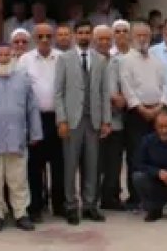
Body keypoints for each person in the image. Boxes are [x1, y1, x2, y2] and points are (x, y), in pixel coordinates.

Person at [53, 20, 112, 225]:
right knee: (70, 165)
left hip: (93, 119)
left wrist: (106, 120)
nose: (84, 36)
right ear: (75, 35)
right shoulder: (64, 59)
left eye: (87, 33)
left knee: (92, 165)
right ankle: (71, 205)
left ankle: (89, 205)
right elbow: (58, 92)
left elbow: (104, 92)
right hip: (72, 120)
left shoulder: (100, 60)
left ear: (91, 36)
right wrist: (61, 119)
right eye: (81, 33)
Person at [0, 43, 41, 232]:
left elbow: (32, 108)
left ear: (13, 57)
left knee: (18, 180)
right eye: (0, 55)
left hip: (17, 138)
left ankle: (21, 213)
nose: (4, 59)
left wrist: (35, 132)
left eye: (8, 55)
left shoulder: (23, 80)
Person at [17, 24, 64, 221]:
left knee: (59, 164)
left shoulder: (61, 57)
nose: (44, 39)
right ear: (35, 39)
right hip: (35, 118)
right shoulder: (25, 60)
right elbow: (21, 90)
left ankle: (60, 205)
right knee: (34, 165)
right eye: (40, 36)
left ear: (53, 38)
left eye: (48, 36)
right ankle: (35, 206)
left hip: (58, 118)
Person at [121, 22, 167, 209]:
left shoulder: (156, 60)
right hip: (136, 114)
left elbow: (165, 85)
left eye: (146, 35)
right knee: (136, 155)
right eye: (139, 35)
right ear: (131, 37)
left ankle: (157, 195)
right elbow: (127, 87)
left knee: (157, 154)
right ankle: (136, 197)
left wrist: (159, 106)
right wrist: (141, 108)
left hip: (157, 112)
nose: (142, 39)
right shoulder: (126, 60)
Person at [97, 25, 128, 210]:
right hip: (97, 121)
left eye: (107, 39)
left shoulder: (119, 61)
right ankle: (94, 198)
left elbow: (126, 83)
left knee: (114, 162)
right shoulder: (89, 61)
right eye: (100, 39)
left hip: (116, 118)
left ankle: (111, 197)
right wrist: (111, 97)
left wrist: (123, 97)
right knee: (96, 163)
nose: (104, 42)